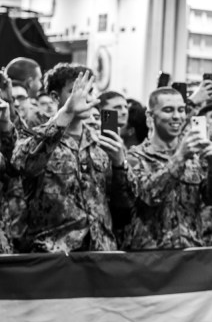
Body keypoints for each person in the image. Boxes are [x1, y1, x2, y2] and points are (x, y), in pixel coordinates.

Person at [12, 64, 132, 252]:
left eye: (90, 91)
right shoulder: (33, 137)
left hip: (101, 251)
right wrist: (67, 112)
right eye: (76, 91)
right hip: (54, 253)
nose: (86, 98)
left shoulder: (103, 141)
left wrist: (119, 165)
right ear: (55, 97)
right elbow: (24, 165)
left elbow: (124, 206)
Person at [124, 86, 212, 250]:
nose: (177, 116)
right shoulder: (134, 157)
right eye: (168, 110)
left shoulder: (195, 156)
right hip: (150, 254)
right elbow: (147, 197)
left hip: (190, 251)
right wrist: (179, 157)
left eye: (181, 110)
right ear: (150, 116)